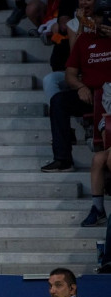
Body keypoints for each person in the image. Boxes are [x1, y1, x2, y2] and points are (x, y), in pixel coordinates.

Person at [41, 1, 111, 173]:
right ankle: (63, 159)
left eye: (104, 17)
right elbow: (70, 74)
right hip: (92, 94)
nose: (101, 21)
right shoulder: (84, 40)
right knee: (58, 101)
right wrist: (80, 87)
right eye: (97, 17)